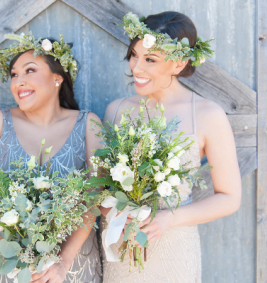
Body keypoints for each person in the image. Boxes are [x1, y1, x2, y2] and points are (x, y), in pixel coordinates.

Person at [100, 11, 241, 282]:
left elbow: (230, 198)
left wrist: (169, 219)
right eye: (134, 55)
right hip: (123, 243)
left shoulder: (208, 115)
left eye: (150, 59)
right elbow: (100, 187)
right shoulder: (116, 110)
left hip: (174, 244)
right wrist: (117, 213)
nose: (136, 67)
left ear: (179, 63)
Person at [0, 33, 103, 283]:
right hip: (14, 267)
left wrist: (62, 262)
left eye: (29, 70)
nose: (18, 81)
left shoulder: (88, 124)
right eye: (13, 75)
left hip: (74, 266)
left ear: (57, 78)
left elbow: (94, 202)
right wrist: (21, 257)